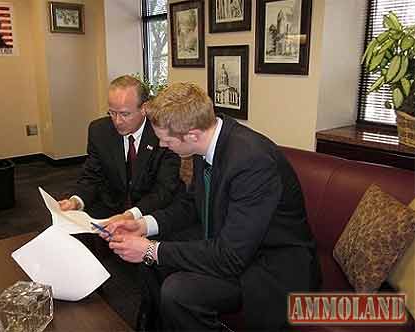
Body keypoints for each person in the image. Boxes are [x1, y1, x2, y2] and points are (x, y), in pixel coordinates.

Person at [103, 82, 321, 331]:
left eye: (165, 140)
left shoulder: (252, 161)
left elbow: (231, 257)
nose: (163, 146)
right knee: (152, 261)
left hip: (269, 265)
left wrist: (152, 249)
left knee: (178, 292)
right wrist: (143, 226)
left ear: (192, 134)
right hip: (229, 240)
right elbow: (191, 204)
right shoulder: (206, 143)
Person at [59, 74, 182, 225]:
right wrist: (76, 201)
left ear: (144, 108)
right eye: (112, 112)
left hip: (149, 213)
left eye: (125, 114)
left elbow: (164, 189)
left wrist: (131, 215)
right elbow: (92, 176)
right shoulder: (99, 131)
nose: (117, 121)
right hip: (109, 209)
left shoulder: (163, 134)